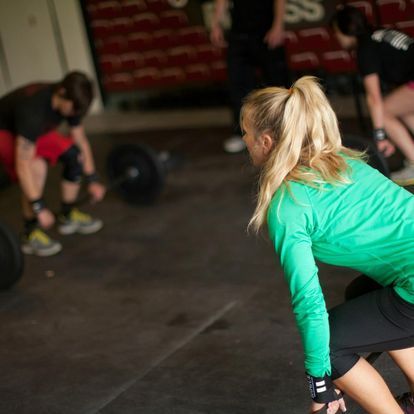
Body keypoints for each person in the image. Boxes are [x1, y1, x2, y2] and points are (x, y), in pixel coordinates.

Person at [241, 76, 414, 414]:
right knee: (362, 293)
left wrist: (320, 385)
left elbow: (309, 303)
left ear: (265, 141)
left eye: (245, 132)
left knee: (329, 345)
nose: (243, 139)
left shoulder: (288, 206)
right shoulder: (345, 161)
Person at [0, 71, 106, 256]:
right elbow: (23, 165)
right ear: (62, 93)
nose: (75, 115)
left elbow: (80, 140)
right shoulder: (32, 111)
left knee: (75, 156)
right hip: (5, 131)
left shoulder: (72, 100)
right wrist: (39, 206)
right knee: (36, 167)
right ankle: (30, 233)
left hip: (35, 131)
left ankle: (67, 214)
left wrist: (92, 178)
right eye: (73, 110)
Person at [331, 5, 414, 186]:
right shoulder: (378, 34)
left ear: (345, 31)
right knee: (404, 109)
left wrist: (380, 135)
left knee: (383, 111)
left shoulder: (365, 49)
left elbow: (374, 99)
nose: (336, 38)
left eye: (336, 32)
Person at [210, 0, 290, 153]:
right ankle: (242, 134)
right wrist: (216, 24)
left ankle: (287, 131)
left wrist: (278, 26)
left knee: (277, 86)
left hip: (267, 30)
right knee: (238, 86)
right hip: (239, 33)